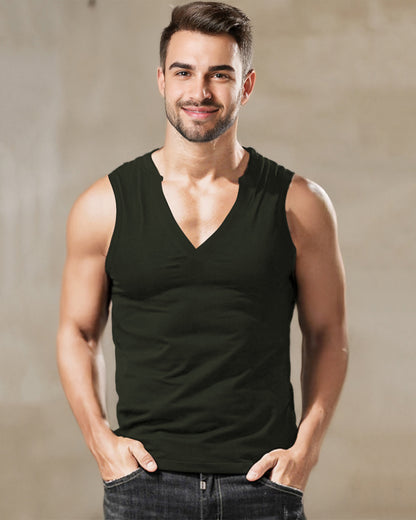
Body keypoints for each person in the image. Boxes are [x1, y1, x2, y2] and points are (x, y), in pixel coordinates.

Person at [56, 2, 348, 519]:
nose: (200, 91)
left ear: (246, 86)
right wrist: (101, 442)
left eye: (220, 74)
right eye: (184, 72)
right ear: (162, 81)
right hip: (144, 488)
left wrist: (307, 450)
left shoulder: (300, 204)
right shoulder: (103, 206)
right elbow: (77, 333)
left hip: (262, 486)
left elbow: (327, 335)